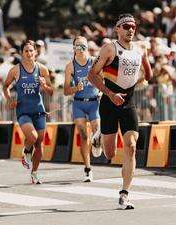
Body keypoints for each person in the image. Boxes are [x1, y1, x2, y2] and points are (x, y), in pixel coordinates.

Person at [87, 14, 152, 209]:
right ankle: (98, 136)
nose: (130, 29)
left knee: (131, 146)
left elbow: (148, 73)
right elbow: (92, 74)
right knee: (109, 153)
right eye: (126, 26)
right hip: (108, 102)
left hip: (128, 103)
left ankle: (124, 194)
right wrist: (109, 92)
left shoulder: (141, 49)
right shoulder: (109, 48)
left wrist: (144, 76)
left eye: (133, 26)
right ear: (117, 29)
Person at [3, 40, 53, 184]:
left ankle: (34, 173)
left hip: (39, 110)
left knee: (39, 144)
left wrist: (44, 86)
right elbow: (5, 86)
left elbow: (51, 91)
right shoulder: (15, 70)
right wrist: (9, 99)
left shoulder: (42, 69)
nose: (29, 53)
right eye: (26, 51)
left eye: (32, 50)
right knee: (32, 137)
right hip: (23, 111)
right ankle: (26, 151)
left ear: (36, 52)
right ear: (22, 53)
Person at [63, 36, 102, 182]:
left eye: (83, 45)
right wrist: (75, 88)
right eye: (77, 45)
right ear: (73, 48)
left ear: (87, 46)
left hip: (94, 103)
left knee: (97, 131)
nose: (80, 48)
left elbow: (103, 80)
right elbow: (66, 90)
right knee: (83, 136)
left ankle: (97, 142)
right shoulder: (70, 66)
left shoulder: (94, 62)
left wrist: (101, 90)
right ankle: (87, 168)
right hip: (79, 103)